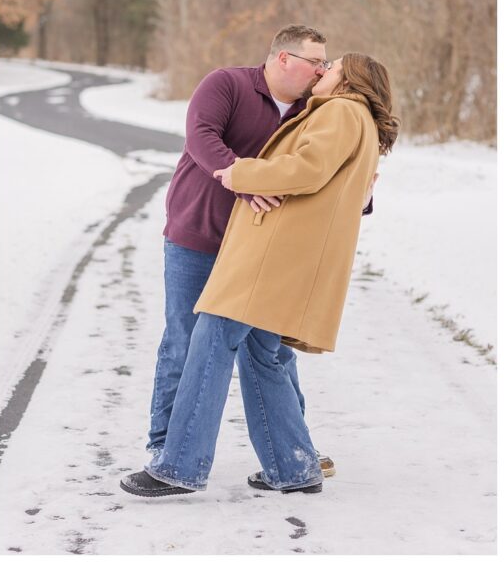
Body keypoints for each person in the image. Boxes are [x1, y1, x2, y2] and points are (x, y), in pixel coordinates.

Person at [122, 53, 399, 497]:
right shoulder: (351, 117)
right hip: (287, 256)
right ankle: (292, 467)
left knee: (212, 337)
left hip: (275, 256)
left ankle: (178, 466)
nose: (323, 72)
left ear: (351, 81)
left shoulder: (343, 112)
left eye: (332, 67)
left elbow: (307, 169)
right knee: (263, 354)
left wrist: (241, 173)